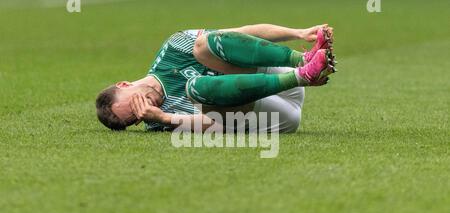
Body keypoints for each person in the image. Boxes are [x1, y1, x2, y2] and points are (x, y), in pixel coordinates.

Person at [95, 24, 336, 132]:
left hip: (276, 72)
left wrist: (298, 33)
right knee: (196, 88)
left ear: (124, 84)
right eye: (136, 115)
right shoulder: (158, 118)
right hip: (274, 114)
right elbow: (220, 125)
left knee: (203, 45)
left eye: (135, 101)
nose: (144, 107)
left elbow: (241, 36)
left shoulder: (173, 47)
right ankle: (303, 75)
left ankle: (302, 62)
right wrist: (166, 118)